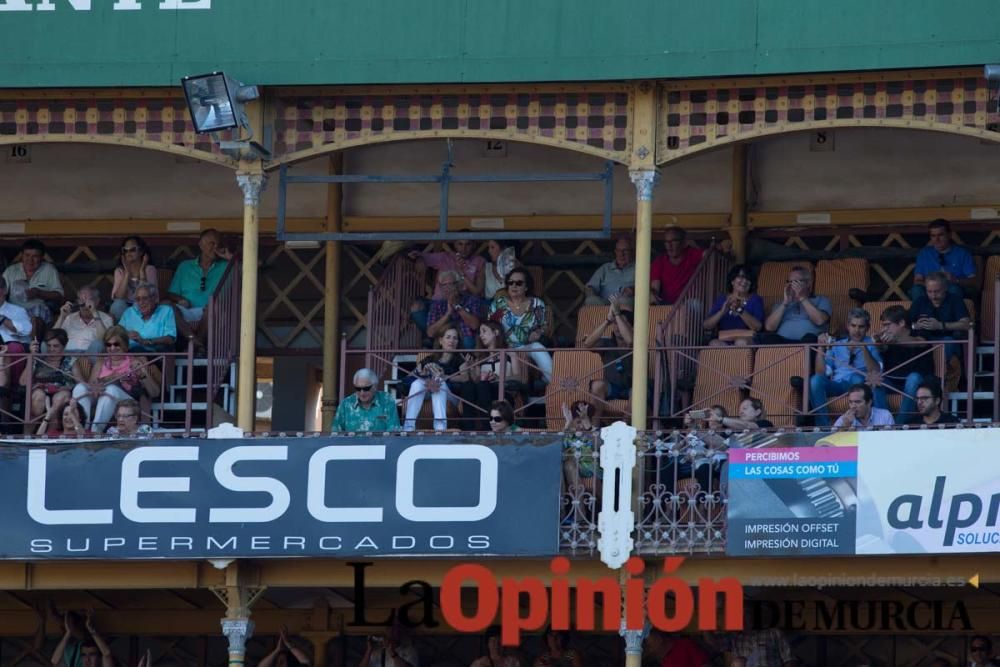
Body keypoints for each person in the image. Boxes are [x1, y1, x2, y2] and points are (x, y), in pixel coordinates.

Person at [71, 327, 161, 434]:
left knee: (111, 389)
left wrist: (142, 375)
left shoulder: (136, 361)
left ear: (125, 345)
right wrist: (108, 379)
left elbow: (155, 393)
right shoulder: (101, 362)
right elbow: (92, 386)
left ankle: (95, 431)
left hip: (128, 401)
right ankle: (83, 428)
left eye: (116, 344)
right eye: (109, 345)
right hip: (101, 397)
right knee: (80, 388)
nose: (112, 348)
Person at [809, 309, 882, 426]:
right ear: (848, 326)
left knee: (856, 378)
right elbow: (821, 373)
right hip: (838, 385)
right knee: (815, 380)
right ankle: (823, 427)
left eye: (861, 327)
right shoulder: (837, 344)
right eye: (853, 326)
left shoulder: (871, 343)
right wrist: (820, 348)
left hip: (859, 386)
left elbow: (876, 371)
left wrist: (863, 348)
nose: (857, 331)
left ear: (867, 328)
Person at [410, 240, 487, 336]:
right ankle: (430, 338)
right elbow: (421, 257)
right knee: (416, 307)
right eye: (460, 244)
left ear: (474, 245)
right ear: (455, 244)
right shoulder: (445, 257)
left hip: (464, 302)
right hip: (439, 302)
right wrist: (419, 259)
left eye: (468, 244)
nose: (464, 248)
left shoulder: (479, 261)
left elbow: (476, 291)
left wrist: (461, 272)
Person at [489, 268, 553, 383]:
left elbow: (543, 326)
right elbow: (489, 327)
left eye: (519, 283)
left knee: (538, 347)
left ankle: (555, 384)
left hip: (526, 345)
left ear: (526, 287)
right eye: (511, 282)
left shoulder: (536, 303)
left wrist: (538, 333)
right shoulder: (499, 303)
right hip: (504, 347)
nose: (514, 286)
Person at [872, 305, 935, 423]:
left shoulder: (919, 331)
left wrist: (896, 341)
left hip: (918, 383)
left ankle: (899, 425)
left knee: (913, 378)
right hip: (892, 382)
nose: (884, 329)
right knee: (875, 380)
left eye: (887, 325)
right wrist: (878, 343)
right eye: (883, 325)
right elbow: (882, 350)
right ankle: (884, 424)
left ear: (901, 323)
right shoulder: (886, 337)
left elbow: (919, 343)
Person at [402, 327, 471, 431]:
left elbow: (465, 377)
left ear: (458, 342)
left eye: (455, 338)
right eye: (448, 337)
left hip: (450, 394)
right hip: (427, 390)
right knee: (417, 383)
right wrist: (422, 373)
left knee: (439, 382)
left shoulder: (460, 358)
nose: (451, 341)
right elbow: (410, 376)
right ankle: (408, 427)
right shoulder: (430, 358)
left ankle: (440, 428)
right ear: (440, 341)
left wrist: (445, 377)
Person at [21, 328, 86, 435]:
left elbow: (81, 384)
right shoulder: (38, 359)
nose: (51, 349)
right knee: (39, 396)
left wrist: (67, 387)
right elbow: (23, 382)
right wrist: (31, 357)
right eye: (49, 345)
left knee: (60, 398)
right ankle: (27, 435)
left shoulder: (70, 361)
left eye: (56, 346)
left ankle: (50, 435)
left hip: (62, 391)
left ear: (64, 346)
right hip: (40, 391)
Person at [581, 295, 633, 424]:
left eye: (621, 323)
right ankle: (594, 428)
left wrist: (617, 314)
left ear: (631, 326)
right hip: (613, 387)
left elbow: (631, 341)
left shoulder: (638, 343)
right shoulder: (608, 343)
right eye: (615, 324)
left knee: (637, 391)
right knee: (597, 385)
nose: (617, 327)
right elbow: (587, 344)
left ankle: (624, 429)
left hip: (633, 387)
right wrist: (608, 320)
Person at [165, 228, 233, 326]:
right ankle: (192, 337)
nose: (215, 247)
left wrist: (230, 258)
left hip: (214, 314)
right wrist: (181, 299)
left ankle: (197, 340)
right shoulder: (185, 266)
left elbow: (253, 267)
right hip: (186, 311)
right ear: (201, 245)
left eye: (218, 245)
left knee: (212, 308)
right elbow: (171, 293)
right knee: (166, 306)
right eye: (212, 244)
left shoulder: (227, 266)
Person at [467, 321, 526, 431]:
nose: (481, 335)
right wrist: (471, 368)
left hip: (504, 393)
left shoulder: (509, 353)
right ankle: (475, 427)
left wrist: (499, 379)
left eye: (484, 331)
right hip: (484, 393)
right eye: (480, 333)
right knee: (474, 386)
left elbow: (518, 378)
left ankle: (487, 427)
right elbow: (476, 380)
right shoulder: (480, 357)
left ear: (496, 332)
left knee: (483, 387)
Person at [910, 271, 970, 377]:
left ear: (946, 288)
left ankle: (937, 378)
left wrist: (941, 325)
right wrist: (915, 326)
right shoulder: (920, 301)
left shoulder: (955, 300)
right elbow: (906, 324)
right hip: (924, 341)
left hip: (948, 341)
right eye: (929, 292)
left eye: (937, 291)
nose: (933, 296)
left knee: (947, 341)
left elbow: (967, 324)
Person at [759, 265, 831, 345]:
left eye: (796, 282)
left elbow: (820, 321)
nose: (792, 285)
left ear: (808, 283)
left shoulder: (821, 300)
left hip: (807, 342)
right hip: (783, 343)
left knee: (810, 338)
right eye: (790, 282)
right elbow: (769, 327)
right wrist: (785, 303)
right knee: (769, 338)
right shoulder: (781, 304)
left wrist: (802, 298)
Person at [911, 218, 976, 301]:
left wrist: (956, 280)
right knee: (916, 290)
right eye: (933, 236)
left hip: (952, 288)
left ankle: (950, 313)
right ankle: (922, 314)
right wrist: (933, 285)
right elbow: (917, 280)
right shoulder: (924, 254)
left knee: (954, 289)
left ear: (949, 235)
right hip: (930, 291)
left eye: (940, 235)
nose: (936, 239)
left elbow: (974, 281)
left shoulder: (962, 254)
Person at [3, 238, 64, 323]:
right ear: (22, 255)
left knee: (37, 315)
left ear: (42, 257)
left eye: (35, 256)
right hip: (14, 309)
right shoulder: (11, 270)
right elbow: (1, 290)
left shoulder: (49, 270)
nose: (30, 260)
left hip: (38, 309)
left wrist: (39, 293)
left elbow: (59, 295)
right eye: (27, 255)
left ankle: (35, 336)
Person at [704, 264, 764, 345]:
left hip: (747, 339)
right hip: (725, 338)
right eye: (741, 277)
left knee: (740, 342)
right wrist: (722, 312)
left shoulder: (755, 299)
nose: (745, 281)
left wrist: (740, 310)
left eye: (748, 279)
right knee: (714, 343)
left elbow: (758, 327)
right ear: (732, 281)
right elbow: (707, 325)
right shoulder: (722, 299)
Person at [425, 270, 484, 349]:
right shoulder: (436, 304)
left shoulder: (472, 299)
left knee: (468, 341)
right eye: (444, 285)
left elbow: (475, 325)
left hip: (466, 339)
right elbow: (430, 333)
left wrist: (456, 305)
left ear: (459, 285)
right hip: (445, 343)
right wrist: (448, 314)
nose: (447, 288)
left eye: (451, 284)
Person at [332, 368, 401, 432]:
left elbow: (393, 432)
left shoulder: (386, 401)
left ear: (375, 386)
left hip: (379, 444)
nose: (362, 393)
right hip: (352, 444)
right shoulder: (346, 404)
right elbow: (336, 433)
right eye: (358, 389)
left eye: (366, 389)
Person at [118, 283, 177, 352]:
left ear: (154, 298)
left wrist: (146, 341)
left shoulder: (166, 311)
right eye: (138, 299)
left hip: (154, 354)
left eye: (145, 298)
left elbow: (170, 339)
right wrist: (127, 334)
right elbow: (117, 332)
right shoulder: (129, 312)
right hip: (129, 355)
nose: (141, 302)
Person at [53, 286, 113, 354]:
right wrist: (62, 317)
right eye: (82, 300)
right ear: (78, 301)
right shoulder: (69, 318)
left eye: (89, 300)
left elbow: (105, 340)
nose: (85, 304)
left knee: (98, 344)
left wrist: (94, 313)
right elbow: (52, 337)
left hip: (90, 357)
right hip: (68, 355)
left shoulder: (106, 318)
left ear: (97, 301)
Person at [651, 227, 703, 305]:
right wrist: (651, 294)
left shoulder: (691, 254)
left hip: (689, 302)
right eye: (666, 242)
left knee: (695, 304)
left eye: (673, 241)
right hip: (666, 304)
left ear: (683, 243)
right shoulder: (659, 261)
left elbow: (709, 255)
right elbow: (655, 288)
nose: (669, 245)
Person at [110, 235, 158, 320]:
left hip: (145, 305)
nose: (128, 253)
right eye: (125, 250)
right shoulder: (120, 271)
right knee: (117, 304)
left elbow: (148, 296)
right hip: (125, 306)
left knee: (138, 303)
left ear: (141, 251)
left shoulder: (149, 269)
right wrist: (127, 274)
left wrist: (142, 271)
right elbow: (118, 297)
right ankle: (119, 332)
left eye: (132, 250)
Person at [585, 235, 635, 305]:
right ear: (615, 252)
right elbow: (590, 287)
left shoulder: (638, 268)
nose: (621, 254)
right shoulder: (605, 268)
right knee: (590, 300)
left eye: (625, 250)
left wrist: (633, 289)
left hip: (626, 301)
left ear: (632, 252)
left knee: (625, 301)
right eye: (619, 250)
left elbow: (648, 288)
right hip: (605, 303)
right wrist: (591, 292)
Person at [643, 627, 711, 667]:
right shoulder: (664, 662)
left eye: (648, 645)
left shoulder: (684, 645)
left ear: (658, 638)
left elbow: (705, 665)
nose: (650, 649)